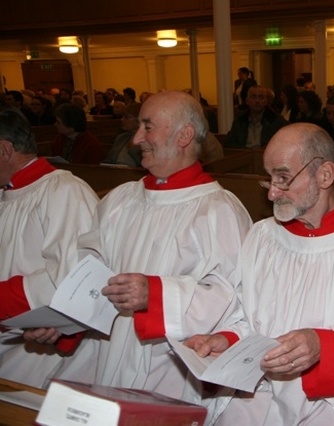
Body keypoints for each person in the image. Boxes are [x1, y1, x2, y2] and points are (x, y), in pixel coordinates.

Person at [186, 122, 334, 425]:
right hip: (257, 399)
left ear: (325, 175)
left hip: (332, 405)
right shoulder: (263, 236)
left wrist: (322, 347)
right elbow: (245, 314)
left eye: (283, 177)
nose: (272, 193)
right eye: (269, 179)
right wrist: (227, 339)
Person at [50, 90, 253, 406]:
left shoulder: (217, 210)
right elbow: (87, 266)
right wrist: (62, 320)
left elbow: (232, 295)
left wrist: (156, 295)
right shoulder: (120, 199)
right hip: (104, 349)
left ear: (184, 135)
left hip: (167, 362)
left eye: (147, 127)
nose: (135, 139)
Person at [0, 107, 98, 389]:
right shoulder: (7, 193)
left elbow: (74, 278)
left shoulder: (63, 191)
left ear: (5, 150)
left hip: (45, 351)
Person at [224, 85, 288, 149]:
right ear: (247, 101)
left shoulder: (276, 120)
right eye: (253, 97)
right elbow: (229, 143)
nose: (257, 101)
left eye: (261, 97)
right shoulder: (240, 121)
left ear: (266, 102)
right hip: (244, 156)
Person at [103, 102, 143, 166]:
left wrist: (132, 146)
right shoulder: (121, 138)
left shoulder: (147, 140)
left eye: (127, 117)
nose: (122, 119)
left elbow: (143, 164)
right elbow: (109, 160)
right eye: (123, 116)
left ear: (139, 120)